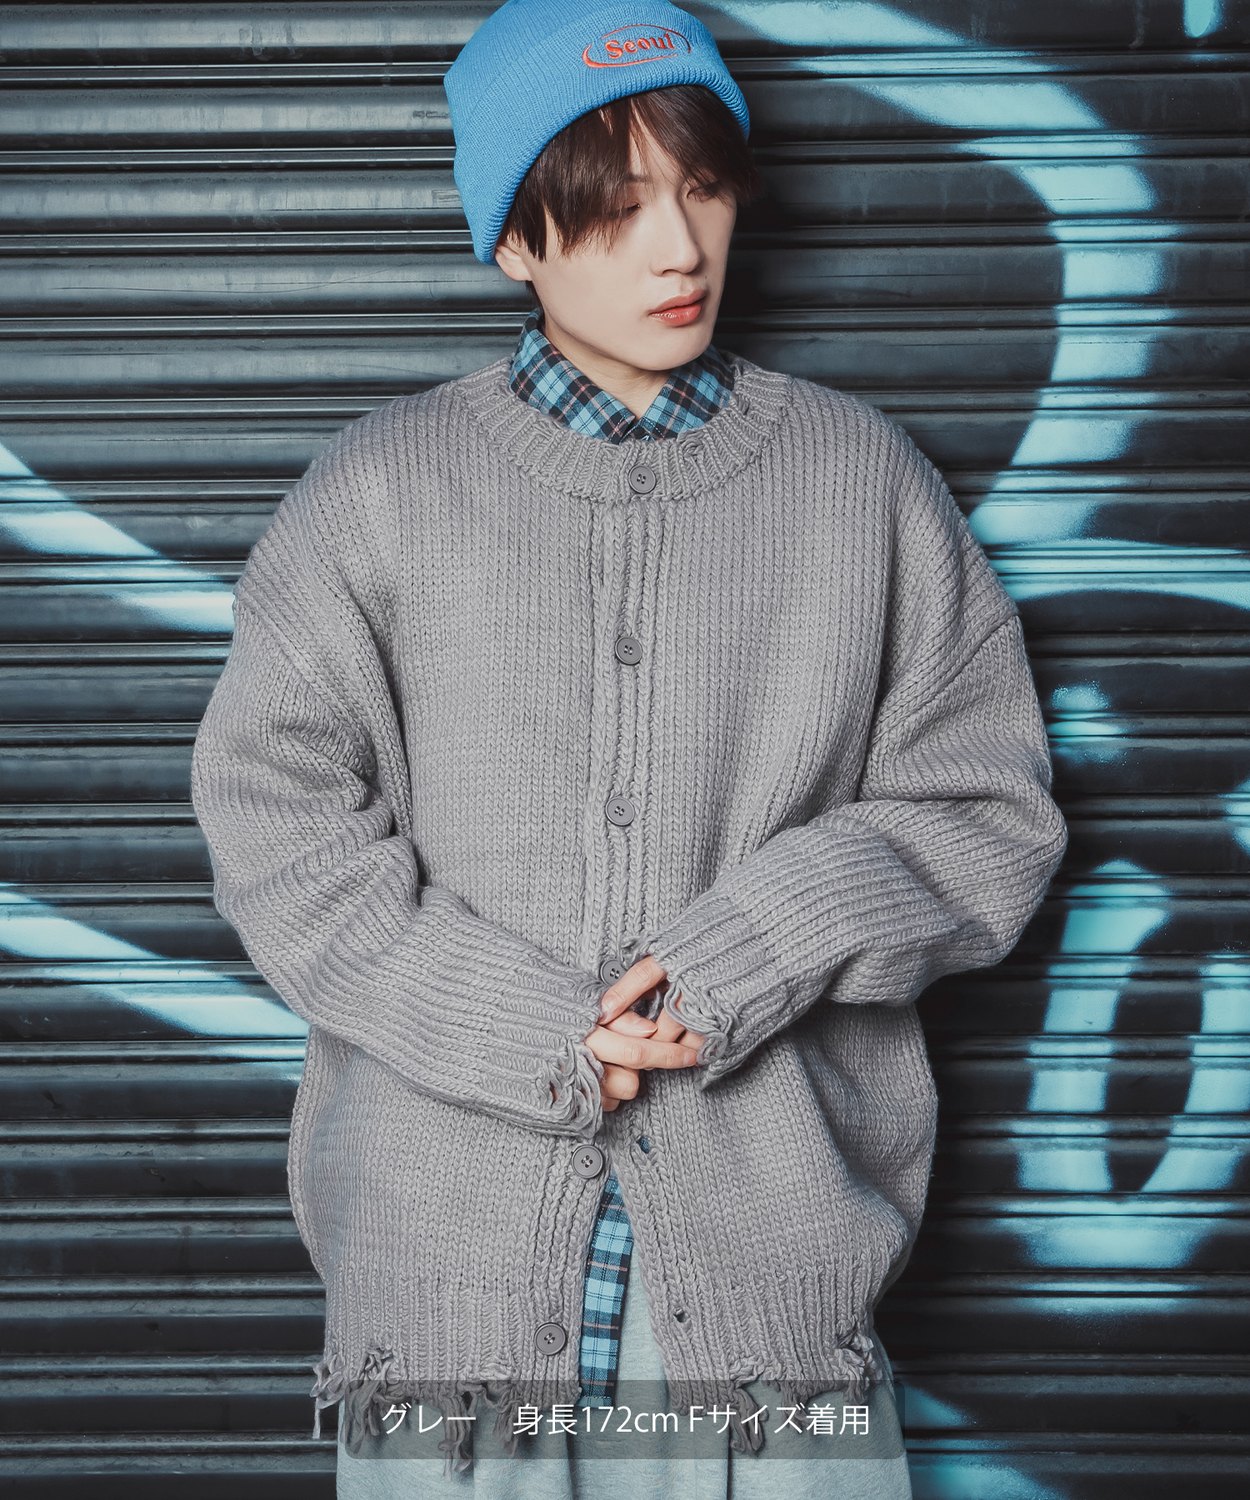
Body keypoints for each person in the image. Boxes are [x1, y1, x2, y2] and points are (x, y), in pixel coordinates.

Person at [189, 1, 1069, 1496]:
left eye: (703, 187)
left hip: (776, 1318)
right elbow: (279, 829)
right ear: (513, 241)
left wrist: (748, 951)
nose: (679, 248)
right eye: (615, 206)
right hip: (446, 1318)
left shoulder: (859, 482)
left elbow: (984, 812)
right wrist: (530, 1031)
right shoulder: (377, 492)